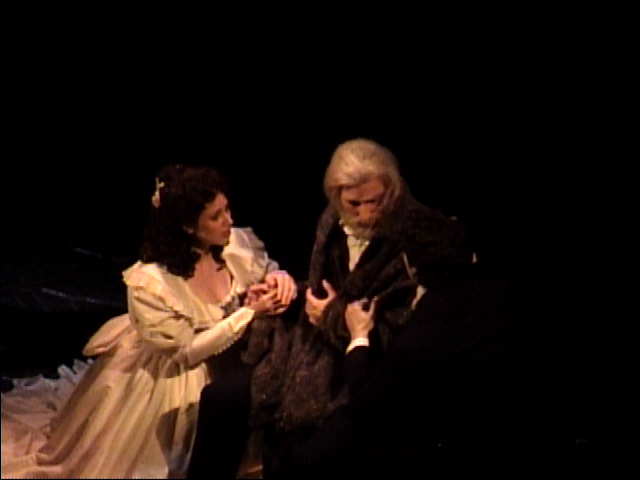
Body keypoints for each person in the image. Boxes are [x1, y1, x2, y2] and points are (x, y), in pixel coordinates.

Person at [0, 164, 297, 478]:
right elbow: (186, 352)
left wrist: (279, 279)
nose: (229, 221)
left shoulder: (234, 245)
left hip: (238, 362)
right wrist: (248, 313)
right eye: (215, 216)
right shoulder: (152, 284)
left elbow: (266, 270)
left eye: (227, 209)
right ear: (188, 226)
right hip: (178, 378)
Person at [245, 138, 476, 476]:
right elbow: (324, 286)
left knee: (312, 453)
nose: (367, 213)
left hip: (374, 369)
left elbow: (408, 326)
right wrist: (288, 290)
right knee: (236, 404)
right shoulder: (331, 222)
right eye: (354, 203)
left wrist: (334, 319)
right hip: (318, 350)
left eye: (375, 201)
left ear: (391, 191)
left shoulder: (417, 235)